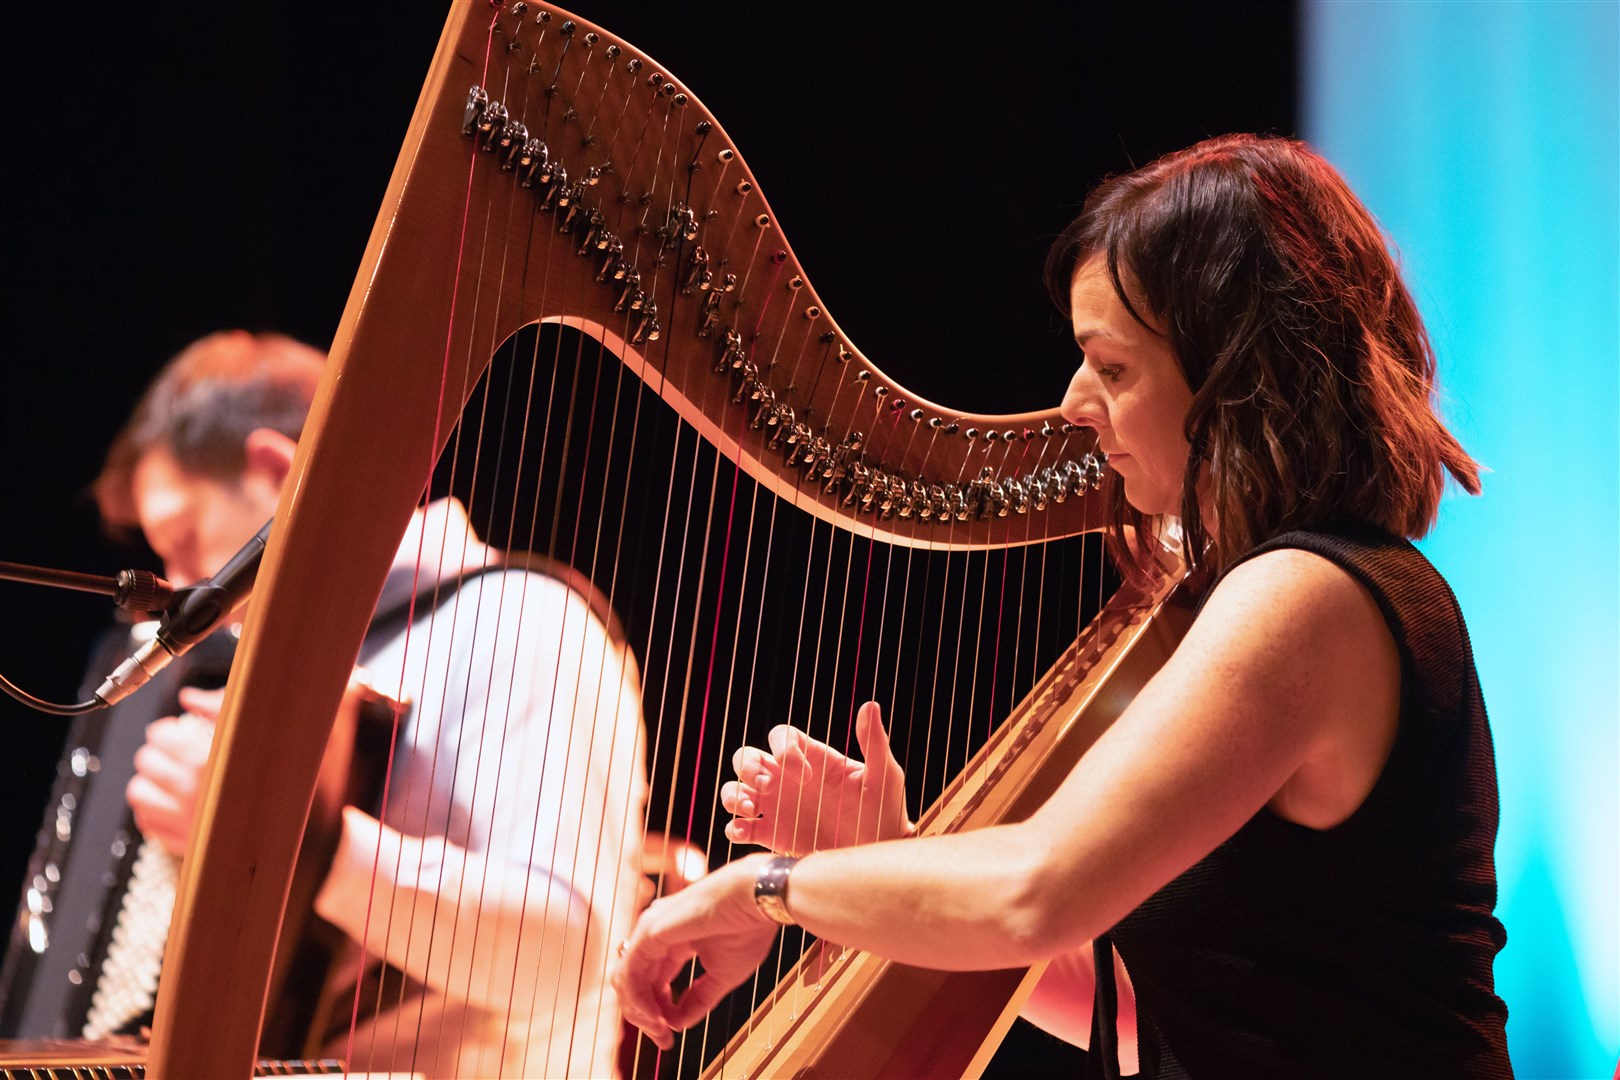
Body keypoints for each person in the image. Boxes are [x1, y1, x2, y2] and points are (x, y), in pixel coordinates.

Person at [612, 134, 1512, 1079]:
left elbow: (1036, 891)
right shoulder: (1291, 594)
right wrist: (888, 861)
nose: (1076, 401)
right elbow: (1165, 1012)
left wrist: (765, 890)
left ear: (1236, 379)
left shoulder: (1310, 598)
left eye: (1113, 368)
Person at [9, 331, 648, 1078]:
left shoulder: (528, 622)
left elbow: (571, 957)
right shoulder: (281, 662)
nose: (175, 588)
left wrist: (286, 838)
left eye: (183, 539)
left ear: (281, 472)